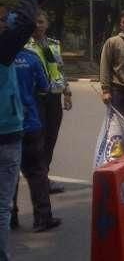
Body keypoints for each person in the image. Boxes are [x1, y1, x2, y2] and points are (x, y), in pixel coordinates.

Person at [0, 0, 38, 260]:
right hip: (6, 134)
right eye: (2, 20)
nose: (6, 24)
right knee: (2, 204)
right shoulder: (4, 48)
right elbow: (25, 22)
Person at [12, 47, 61, 232]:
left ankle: (10, 216)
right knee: (36, 172)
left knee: (8, 172)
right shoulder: (31, 58)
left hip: (5, 126)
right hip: (29, 122)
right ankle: (42, 217)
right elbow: (44, 87)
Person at [25, 11, 72, 194]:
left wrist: (67, 91)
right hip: (35, 96)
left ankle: (44, 175)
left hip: (54, 96)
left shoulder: (54, 44)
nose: (38, 25)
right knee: (38, 138)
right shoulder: (24, 45)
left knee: (51, 137)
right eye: (35, 22)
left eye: (41, 22)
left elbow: (59, 69)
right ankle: (38, 177)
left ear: (47, 24)